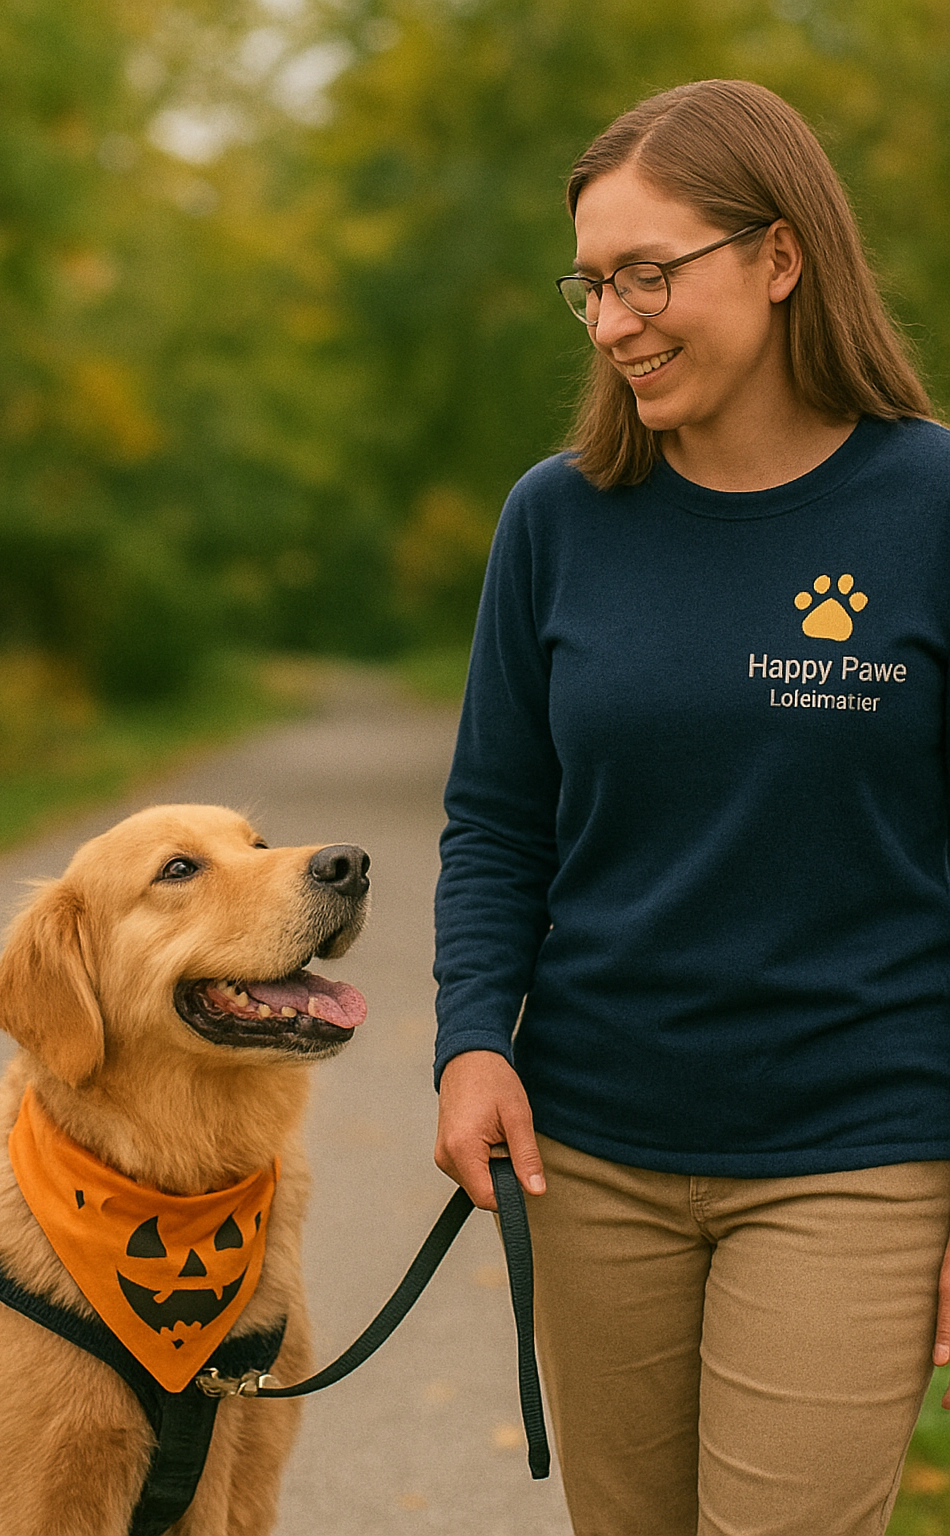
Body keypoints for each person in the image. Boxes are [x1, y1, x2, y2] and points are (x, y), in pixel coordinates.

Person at [431, 78, 950, 1536]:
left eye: (648, 275)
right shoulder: (558, 518)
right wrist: (471, 1038)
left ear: (781, 259)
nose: (612, 323)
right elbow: (498, 821)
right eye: (590, 286)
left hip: (857, 1157)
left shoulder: (931, 506)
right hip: (594, 1155)